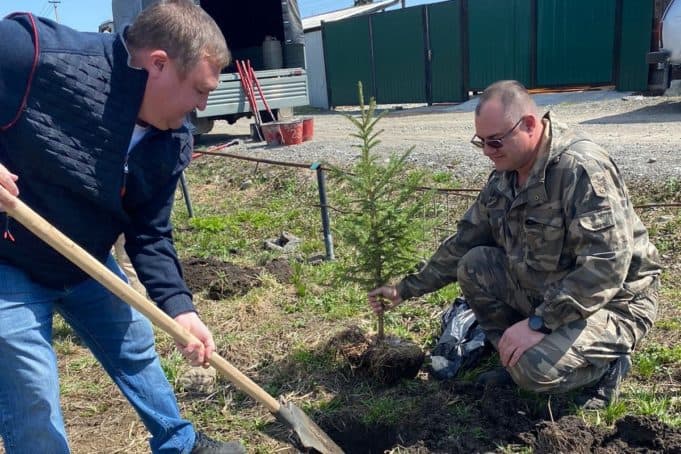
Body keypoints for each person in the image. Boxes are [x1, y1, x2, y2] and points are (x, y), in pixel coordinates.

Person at [0, 1, 245, 453]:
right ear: (158, 64)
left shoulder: (172, 140)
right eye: (199, 89)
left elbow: (150, 232)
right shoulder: (32, 54)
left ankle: (179, 442)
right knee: (30, 385)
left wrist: (180, 307)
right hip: (9, 257)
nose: (202, 105)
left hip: (84, 259)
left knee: (134, 342)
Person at [369, 80, 661, 409]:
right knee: (474, 265)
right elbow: (464, 242)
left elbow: (606, 267)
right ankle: (515, 354)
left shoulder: (581, 170)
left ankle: (608, 364)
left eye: (495, 142)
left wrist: (540, 322)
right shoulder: (506, 173)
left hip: (615, 304)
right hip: (550, 288)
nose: (487, 152)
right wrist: (404, 289)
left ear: (530, 125)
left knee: (534, 371)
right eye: (481, 142)